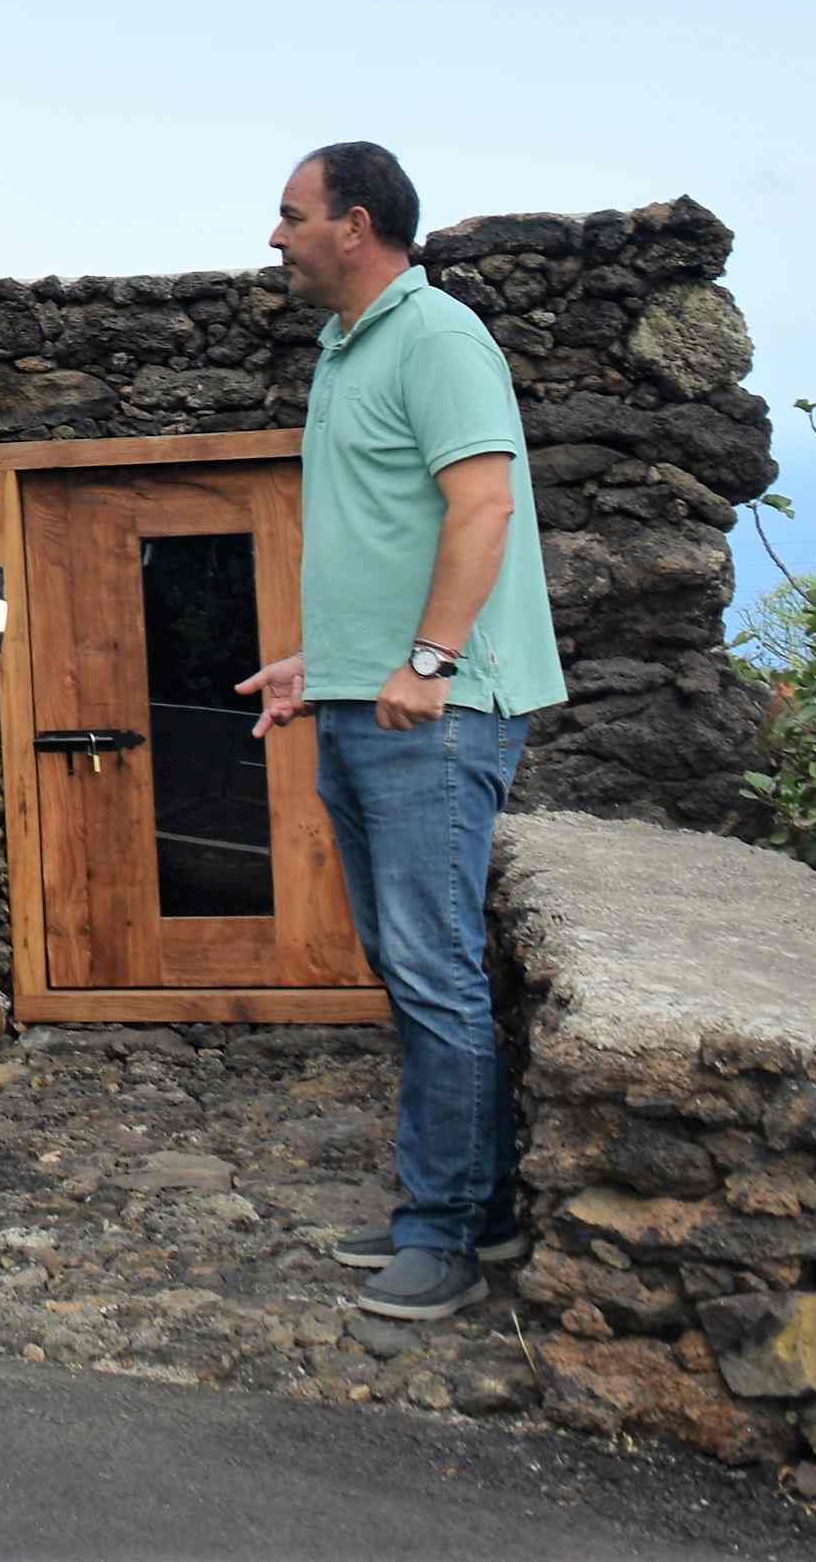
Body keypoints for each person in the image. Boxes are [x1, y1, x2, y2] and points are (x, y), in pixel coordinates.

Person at [236, 141, 565, 1324]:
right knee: (410, 966)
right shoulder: (345, 349)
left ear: (354, 225)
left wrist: (426, 663)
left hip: (434, 711)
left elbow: (482, 503)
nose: (273, 238)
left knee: (431, 972)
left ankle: (448, 1234)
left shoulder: (435, 338)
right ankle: (463, 1204)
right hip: (366, 701)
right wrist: (316, 669)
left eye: (289, 216)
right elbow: (387, 529)